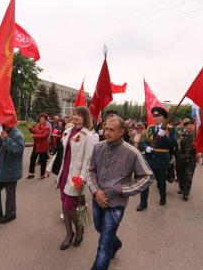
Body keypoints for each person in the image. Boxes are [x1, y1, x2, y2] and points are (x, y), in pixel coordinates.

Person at [86, 116, 154, 270]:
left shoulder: (132, 152)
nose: (107, 132)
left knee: (103, 245)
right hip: (97, 200)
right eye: (106, 128)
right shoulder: (98, 147)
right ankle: (116, 243)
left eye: (111, 130)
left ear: (121, 132)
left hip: (116, 205)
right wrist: (96, 191)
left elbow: (148, 176)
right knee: (99, 228)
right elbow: (90, 171)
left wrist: (123, 189)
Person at [45, 106, 94, 250]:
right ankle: (69, 234)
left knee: (69, 206)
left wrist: (82, 178)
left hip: (75, 177)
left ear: (85, 117)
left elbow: (87, 160)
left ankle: (80, 229)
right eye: (74, 114)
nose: (75, 116)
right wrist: (49, 168)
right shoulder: (67, 131)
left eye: (79, 114)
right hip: (63, 174)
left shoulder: (88, 136)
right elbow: (60, 153)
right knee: (64, 207)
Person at [137, 106, 175, 211]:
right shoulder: (150, 128)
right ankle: (143, 203)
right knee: (145, 181)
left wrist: (165, 137)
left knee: (161, 182)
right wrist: (146, 147)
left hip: (162, 160)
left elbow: (173, 145)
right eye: (154, 116)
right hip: (149, 159)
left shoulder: (170, 129)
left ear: (163, 117)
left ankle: (163, 198)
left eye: (158, 116)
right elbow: (144, 141)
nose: (155, 118)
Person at [175, 121, 197, 201]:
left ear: (194, 127)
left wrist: (199, 153)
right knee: (180, 174)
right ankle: (181, 188)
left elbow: (200, 148)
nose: (189, 127)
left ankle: (186, 193)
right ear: (185, 128)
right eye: (187, 126)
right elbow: (177, 145)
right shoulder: (182, 135)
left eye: (191, 126)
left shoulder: (197, 137)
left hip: (191, 159)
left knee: (188, 176)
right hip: (181, 158)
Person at [27, 113, 51, 179]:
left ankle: (42, 175)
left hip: (43, 146)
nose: (41, 119)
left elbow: (44, 136)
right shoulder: (38, 125)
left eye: (43, 118)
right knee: (32, 158)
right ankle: (31, 174)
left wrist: (34, 136)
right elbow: (34, 131)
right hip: (36, 145)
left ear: (46, 120)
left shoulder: (47, 128)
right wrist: (30, 129)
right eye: (41, 118)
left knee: (43, 161)